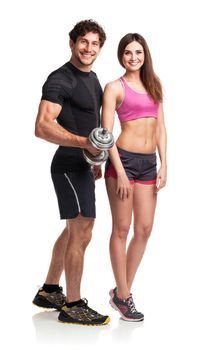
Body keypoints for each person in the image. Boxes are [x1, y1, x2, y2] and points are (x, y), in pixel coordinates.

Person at [33, 19, 110, 326]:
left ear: (99, 48)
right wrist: (84, 144)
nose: (88, 48)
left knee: (73, 230)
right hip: (67, 165)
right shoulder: (60, 79)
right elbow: (41, 126)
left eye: (94, 44)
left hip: (82, 166)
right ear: (72, 43)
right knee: (82, 230)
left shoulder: (91, 79)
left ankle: (50, 290)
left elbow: (89, 123)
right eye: (83, 42)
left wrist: (94, 160)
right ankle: (73, 306)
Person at [102, 33, 167, 321]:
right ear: (121, 56)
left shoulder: (154, 85)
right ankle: (125, 296)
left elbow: (161, 128)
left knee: (144, 229)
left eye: (138, 52)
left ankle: (120, 292)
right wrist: (122, 173)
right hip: (123, 162)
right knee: (122, 228)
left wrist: (164, 163)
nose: (133, 57)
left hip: (148, 164)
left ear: (145, 54)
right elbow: (105, 136)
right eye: (128, 52)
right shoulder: (114, 88)